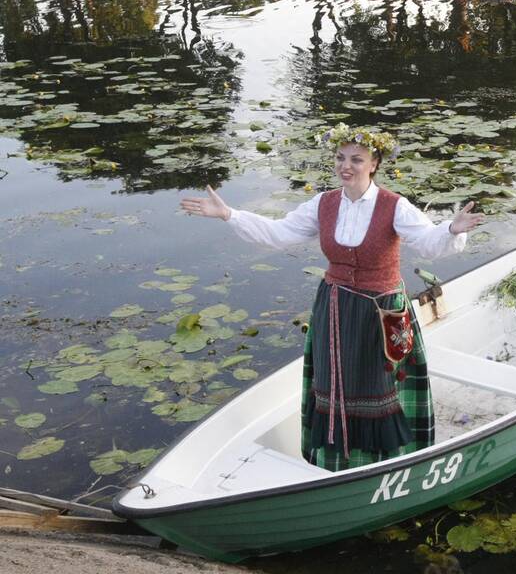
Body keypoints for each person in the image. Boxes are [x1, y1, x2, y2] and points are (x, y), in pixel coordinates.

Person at [179, 124, 483, 472]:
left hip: (381, 312)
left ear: (374, 164)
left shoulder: (394, 206)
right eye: (340, 158)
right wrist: (229, 214)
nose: (346, 166)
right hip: (335, 306)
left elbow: (428, 242)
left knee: (379, 384)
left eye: (356, 159)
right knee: (332, 379)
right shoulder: (322, 204)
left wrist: (451, 230)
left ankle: (388, 462)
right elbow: (280, 234)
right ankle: (335, 462)